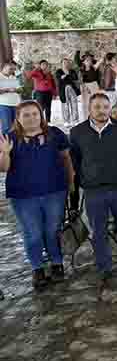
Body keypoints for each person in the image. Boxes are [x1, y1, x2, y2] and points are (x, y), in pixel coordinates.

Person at [0, 101, 74, 289]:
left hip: (55, 191)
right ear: (18, 118)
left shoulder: (55, 134)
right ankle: (37, 268)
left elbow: (66, 158)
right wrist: (5, 153)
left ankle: (56, 263)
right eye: (26, 115)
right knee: (32, 233)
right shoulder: (9, 138)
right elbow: (3, 168)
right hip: (23, 196)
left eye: (35, 114)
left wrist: (71, 181)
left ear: (41, 115)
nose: (31, 118)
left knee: (52, 230)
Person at [70, 93, 117, 281]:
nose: (101, 111)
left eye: (105, 107)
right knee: (98, 232)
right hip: (94, 191)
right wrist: (87, 179)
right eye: (97, 107)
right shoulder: (77, 132)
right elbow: (75, 161)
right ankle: (104, 268)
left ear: (110, 108)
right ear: (89, 109)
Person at [0, 62, 22, 133]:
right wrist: (7, 90)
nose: (12, 71)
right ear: (4, 68)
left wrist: (17, 90)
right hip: (4, 105)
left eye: (13, 69)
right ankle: (6, 143)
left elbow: (20, 89)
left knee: (16, 125)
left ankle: (15, 142)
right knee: (6, 127)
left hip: (16, 104)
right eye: (10, 69)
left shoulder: (13, 77)